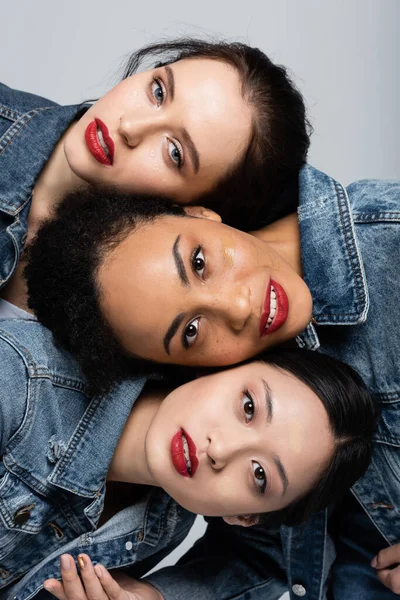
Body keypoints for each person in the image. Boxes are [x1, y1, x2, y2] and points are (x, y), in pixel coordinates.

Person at [24, 167, 400, 599]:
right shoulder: (29, 387)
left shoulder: (159, 520)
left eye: (199, 263)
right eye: (190, 332)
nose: (239, 307)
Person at [0, 312, 376, 599]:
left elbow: (266, 557)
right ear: (219, 364)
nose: (221, 450)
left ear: (243, 517)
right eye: (248, 407)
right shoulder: (20, 383)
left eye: (259, 474)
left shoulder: (167, 517)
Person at [0, 37, 311, 319]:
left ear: (194, 211)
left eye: (174, 153)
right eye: (158, 91)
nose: (131, 128)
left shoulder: (145, 325)